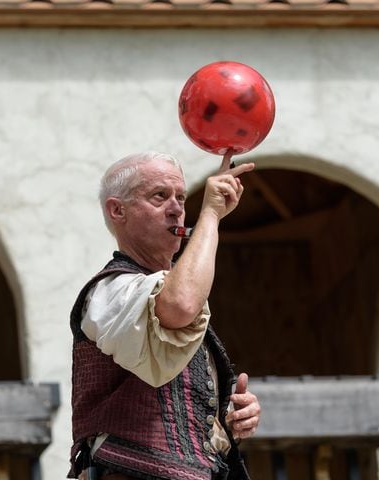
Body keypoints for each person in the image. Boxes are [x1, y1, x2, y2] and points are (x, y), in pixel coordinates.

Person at [69, 151, 261, 480]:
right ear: (118, 210)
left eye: (181, 198)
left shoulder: (157, 291)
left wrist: (224, 425)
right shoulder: (108, 292)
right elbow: (181, 304)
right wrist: (211, 217)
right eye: (160, 196)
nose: (176, 208)